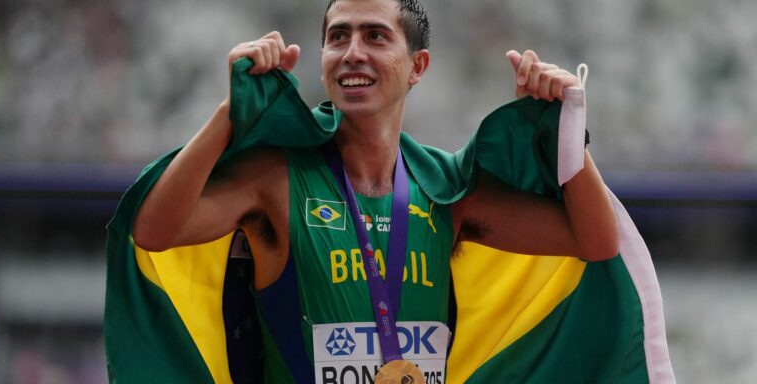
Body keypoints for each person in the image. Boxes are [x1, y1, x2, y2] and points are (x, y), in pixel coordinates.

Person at [132, 0, 618, 381]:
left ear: (417, 66)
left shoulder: (447, 189)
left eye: (376, 36)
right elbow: (154, 231)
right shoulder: (275, 179)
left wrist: (567, 131)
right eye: (337, 36)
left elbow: (595, 241)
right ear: (322, 58)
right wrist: (228, 115)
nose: (352, 52)